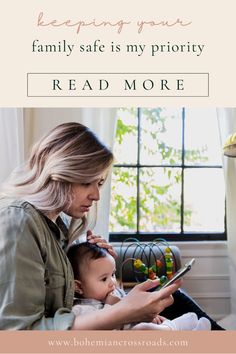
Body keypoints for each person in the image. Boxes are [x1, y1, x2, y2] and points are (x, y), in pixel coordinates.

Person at [0, 122, 180, 330]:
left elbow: (78, 303)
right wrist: (120, 313)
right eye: (86, 182)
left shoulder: (59, 226)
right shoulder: (19, 222)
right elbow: (16, 337)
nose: (95, 195)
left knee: (176, 299)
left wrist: (100, 268)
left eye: (99, 183)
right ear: (57, 175)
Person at [67, 242, 211, 331]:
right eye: (104, 279)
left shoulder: (114, 292)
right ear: (78, 287)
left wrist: (149, 315)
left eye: (113, 274)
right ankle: (173, 328)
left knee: (159, 319)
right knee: (143, 330)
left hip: (139, 325)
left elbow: (134, 308)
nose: (112, 282)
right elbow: (101, 328)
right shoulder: (79, 310)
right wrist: (112, 305)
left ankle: (178, 327)